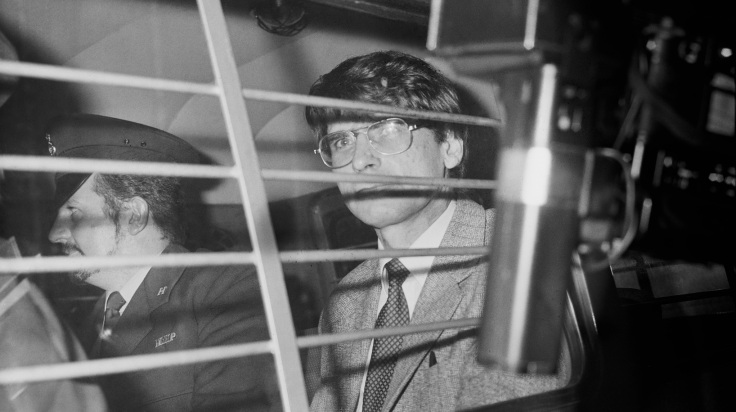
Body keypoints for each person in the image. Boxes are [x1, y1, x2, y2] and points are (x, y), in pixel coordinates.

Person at [305, 50, 568, 411]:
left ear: (450, 147)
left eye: (388, 130)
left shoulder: (517, 259)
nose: (361, 160)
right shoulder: (343, 304)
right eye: (342, 142)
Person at [44, 114, 279, 412]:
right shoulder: (84, 327)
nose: (54, 234)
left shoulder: (223, 291)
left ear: (133, 215)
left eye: (73, 212)